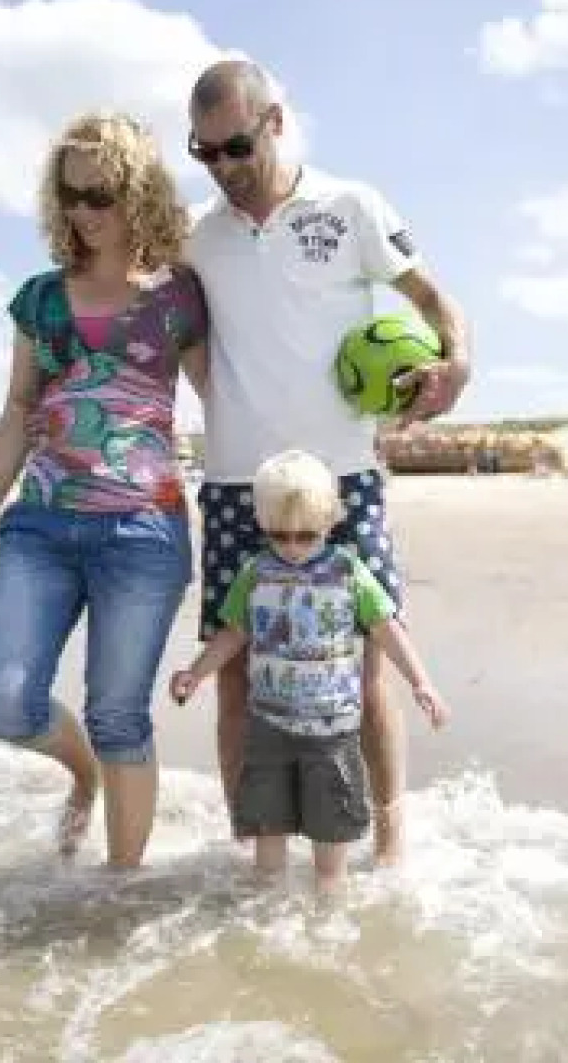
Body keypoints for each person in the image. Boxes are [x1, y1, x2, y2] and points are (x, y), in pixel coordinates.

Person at [184, 59, 470, 866]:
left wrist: (458, 364)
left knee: (367, 663)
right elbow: (169, 321)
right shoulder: (198, 237)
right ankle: (254, 859)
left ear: (275, 121)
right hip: (239, 483)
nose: (223, 169)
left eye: (235, 146)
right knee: (237, 674)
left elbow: (432, 299)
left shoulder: (352, 206)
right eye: (204, 154)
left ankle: (389, 844)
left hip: (344, 481)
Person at [0, 112, 208, 869]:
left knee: (120, 714)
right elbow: (18, 410)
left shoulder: (177, 297)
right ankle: (82, 773)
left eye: (102, 195)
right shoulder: (40, 299)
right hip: (41, 529)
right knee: (3, 701)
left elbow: (221, 391)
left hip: (144, 534)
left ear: (139, 193)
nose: (85, 213)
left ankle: (120, 887)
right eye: (71, 197)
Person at [170, 450, 447, 890]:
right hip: (269, 729)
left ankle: (327, 925)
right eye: (280, 536)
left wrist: (421, 683)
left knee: (330, 854)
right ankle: (265, 922)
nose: (293, 548)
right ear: (261, 523)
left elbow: (385, 629)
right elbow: (234, 633)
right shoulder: (255, 573)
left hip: (333, 734)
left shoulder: (348, 572)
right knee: (267, 849)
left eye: (306, 535)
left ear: (331, 520)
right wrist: (196, 672)